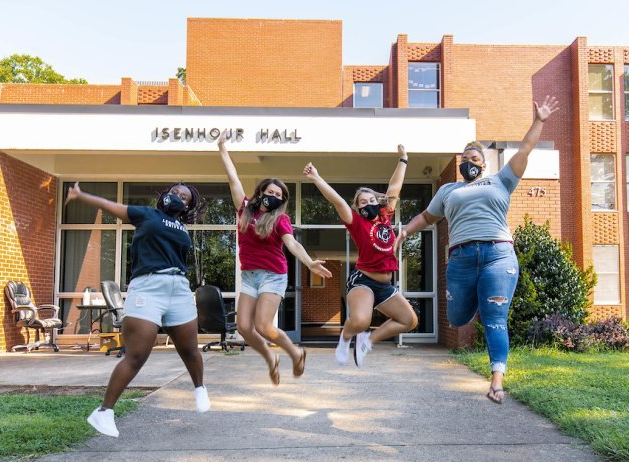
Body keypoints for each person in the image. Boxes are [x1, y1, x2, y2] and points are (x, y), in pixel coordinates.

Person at [395, 96, 560, 404]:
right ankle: (476, 301)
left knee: (495, 317)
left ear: (484, 164)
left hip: (498, 256)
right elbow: (427, 217)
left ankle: (497, 380)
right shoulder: (448, 190)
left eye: (474, 158)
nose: (468, 162)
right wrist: (404, 232)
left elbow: (524, 149)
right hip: (461, 259)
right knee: (457, 317)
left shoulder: (501, 181)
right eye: (464, 158)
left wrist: (539, 120)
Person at [65, 181, 210, 437]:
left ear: (188, 206)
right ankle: (103, 413)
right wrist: (81, 195)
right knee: (137, 355)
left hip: (178, 287)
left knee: (189, 349)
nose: (176, 197)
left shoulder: (182, 227)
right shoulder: (146, 214)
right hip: (148, 287)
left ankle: (199, 388)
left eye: (183, 197)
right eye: (174, 192)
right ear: (165, 196)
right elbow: (110, 205)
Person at [217, 132, 332, 385]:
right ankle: (271, 358)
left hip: (273, 274)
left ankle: (295, 353)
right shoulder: (244, 209)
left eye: (279, 195)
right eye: (270, 192)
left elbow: (291, 243)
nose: (274, 197)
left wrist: (308, 262)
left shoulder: (280, 219)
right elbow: (233, 178)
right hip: (248, 276)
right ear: (261, 192)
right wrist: (223, 148)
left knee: (263, 326)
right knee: (244, 328)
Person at [303, 146, 418, 367]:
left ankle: (367, 341)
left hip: (386, 286)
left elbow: (395, 186)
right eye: (362, 203)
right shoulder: (357, 223)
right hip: (363, 281)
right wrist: (316, 178)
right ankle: (345, 337)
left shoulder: (385, 216)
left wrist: (403, 160)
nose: (367, 204)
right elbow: (337, 201)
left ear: (378, 202)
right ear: (357, 208)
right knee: (360, 320)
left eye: (371, 200)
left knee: (409, 320)